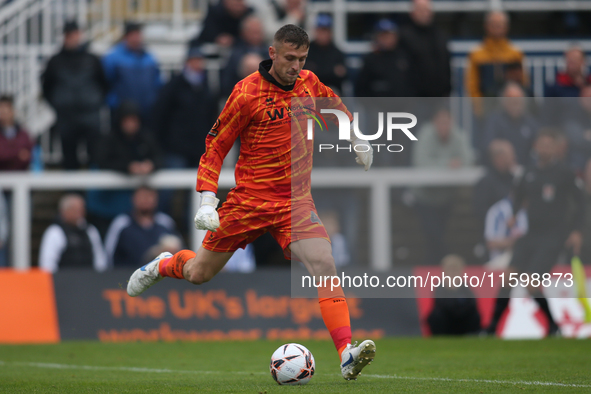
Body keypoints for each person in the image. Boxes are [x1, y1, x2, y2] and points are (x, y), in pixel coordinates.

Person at [126, 24, 376, 381]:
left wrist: (356, 137)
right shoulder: (246, 93)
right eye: (290, 58)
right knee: (199, 273)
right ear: (272, 53)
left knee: (324, 262)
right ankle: (163, 265)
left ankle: (346, 353)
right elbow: (215, 146)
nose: (296, 65)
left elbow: (334, 108)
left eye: (302, 59)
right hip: (249, 202)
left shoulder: (309, 83)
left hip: (295, 203)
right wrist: (208, 200)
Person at [485, 129, 585, 337]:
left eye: (550, 144)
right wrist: (514, 214)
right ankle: (492, 328)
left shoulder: (564, 173)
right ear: (536, 147)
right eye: (542, 144)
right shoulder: (528, 173)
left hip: (553, 236)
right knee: (508, 277)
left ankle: (553, 327)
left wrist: (576, 231)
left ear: (555, 148)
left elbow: (581, 203)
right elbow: (518, 195)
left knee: (531, 283)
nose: (545, 148)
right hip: (530, 234)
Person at [41, 20, 108, 169]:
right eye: (69, 35)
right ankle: (73, 192)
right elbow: (47, 87)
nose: (72, 38)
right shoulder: (55, 61)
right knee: (69, 158)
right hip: (66, 118)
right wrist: (59, 105)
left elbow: (104, 84)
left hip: (91, 116)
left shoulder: (93, 59)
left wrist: (95, 103)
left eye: (75, 34)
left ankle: (94, 192)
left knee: (95, 155)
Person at [412, 107, 474, 265]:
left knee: (441, 236)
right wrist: (447, 164)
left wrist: (455, 164)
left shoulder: (458, 135)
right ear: (434, 123)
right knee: (433, 236)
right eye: (440, 123)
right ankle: (437, 266)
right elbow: (422, 163)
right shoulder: (425, 135)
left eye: (447, 122)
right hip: (424, 198)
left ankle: (439, 265)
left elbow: (468, 158)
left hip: (447, 199)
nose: (444, 126)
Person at [153, 47, 216, 169]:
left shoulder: (206, 88)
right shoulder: (173, 86)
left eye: (200, 61)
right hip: (176, 149)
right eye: (194, 60)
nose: (198, 64)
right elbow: (160, 114)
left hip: (198, 149)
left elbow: (211, 118)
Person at [465, 11, 525, 115]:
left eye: (500, 25)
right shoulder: (477, 54)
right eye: (493, 24)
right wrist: (479, 107)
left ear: (506, 27)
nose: (497, 28)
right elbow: (472, 85)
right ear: (486, 26)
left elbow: (522, 83)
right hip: (486, 109)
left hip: (511, 110)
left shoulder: (515, 54)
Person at [102, 22, 162, 122]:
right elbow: (105, 84)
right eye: (133, 35)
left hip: (147, 112)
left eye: (138, 35)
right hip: (123, 114)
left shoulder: (150, 58)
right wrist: (114, 103)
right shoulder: (113, 58)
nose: (136, 38)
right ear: (126, 37)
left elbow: (157, 82)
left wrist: (155, 102)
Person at [105, 186, 178, 268]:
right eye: (142, 196)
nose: (145, 200)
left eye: (149, 196)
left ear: (156, 199)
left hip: (161, 276)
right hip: (127, 276)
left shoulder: (165, 222)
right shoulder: (121, 223)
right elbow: (109, 255)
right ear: (133, 199)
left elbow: (179, 252)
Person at [38, 194, 107, 273]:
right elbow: (47, 265)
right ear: (64, 211)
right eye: (75, 210)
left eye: (81, 209)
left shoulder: (90, 230)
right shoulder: (55, 232)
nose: (79, 214)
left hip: (89, 280)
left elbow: (100, 261)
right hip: (64, 282)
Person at [399, 0, 451, 97]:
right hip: (412, 99)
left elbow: (446, 68)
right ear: (413, 13)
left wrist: (445, 97)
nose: (425, 14)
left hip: (438, 98)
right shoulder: (403, 37)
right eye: (421, 10)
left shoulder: (440, 35)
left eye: (427, 10)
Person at [355, 19, 415, 98]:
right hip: (376, 107)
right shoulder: (371, 59)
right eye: (383, 36)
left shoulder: (404, 57)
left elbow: (413, 84)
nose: (387, 39)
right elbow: (361, 88)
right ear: (377, 37)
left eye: (390, 35)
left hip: (402, 107)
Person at [482, 82, 538, 166]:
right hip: (500, 171)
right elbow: (488, 144)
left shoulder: (530, 122)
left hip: (525, 169)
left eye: (518, 101)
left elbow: (537, 144)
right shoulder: (494, 120)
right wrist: (501, 148)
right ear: (504, 101)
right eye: (512, 100)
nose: (515, 105)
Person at [427, 255, 481, 336]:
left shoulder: (465, 287)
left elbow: (472, 304)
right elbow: (440, 304)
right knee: (436, 315)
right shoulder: (440, 287)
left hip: (463, 319)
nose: (452, 273)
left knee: (475, 316)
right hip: (447, 320)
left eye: (455, 270)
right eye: (450, 270)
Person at [221, 16, 269, 96]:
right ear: (244, 33)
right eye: (253, 32)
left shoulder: (270, 52)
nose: (256, 36)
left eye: (258, 32)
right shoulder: (235, 54)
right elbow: (226, 83)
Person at [473, 140, 518, 224]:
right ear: (499, 158)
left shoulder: (514, 181)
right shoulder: (485, 183)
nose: (514, 158)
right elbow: (481, 213)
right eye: (510, 156)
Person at [304, 14, 347, 95]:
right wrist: (332, 72)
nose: (323, 34)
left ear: (330, 32)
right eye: (320, 30)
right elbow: (303, 75)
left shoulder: (337, 52)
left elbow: (343, 76)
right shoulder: (306, 51)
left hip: (330, 89)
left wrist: (317, 71)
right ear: (315, 31)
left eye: (326, 31)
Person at [0, 95, 33, 171]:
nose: (3, 112)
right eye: (1, 108)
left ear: (13, 111)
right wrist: (17, 154)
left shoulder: (23, 134)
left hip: (21, 179)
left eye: (6, 108)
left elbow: (29, 156)